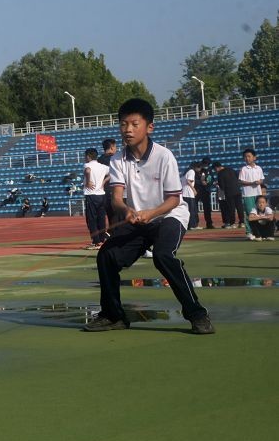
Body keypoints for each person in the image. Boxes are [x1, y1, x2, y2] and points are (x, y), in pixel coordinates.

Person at [87, 98, 214, 335]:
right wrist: (127, 211)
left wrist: (151, 213)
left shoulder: (164, 156)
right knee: (106, 256)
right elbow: (116, 198)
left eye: (135, 124)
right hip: (138, 219)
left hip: (169, 216)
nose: (128, 130)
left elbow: (174, 200)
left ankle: (197, 314)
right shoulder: (117, 160)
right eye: (123, 124)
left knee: (164, 256)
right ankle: (113, 316)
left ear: (150, 127)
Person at [82, 148, 110, 249]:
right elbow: (112, 173)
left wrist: (88, 180)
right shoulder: (103, 167)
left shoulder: (87, 165)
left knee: (91, 219)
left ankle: (96, 241)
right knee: (101, 218)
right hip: (101, 195)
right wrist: (104, 181)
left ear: (88, 156)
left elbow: (88, 170)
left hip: (91, 194)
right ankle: (102, 240)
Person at [239, 149, 266, 241]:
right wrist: (252, 183)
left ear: (254, 157)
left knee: (259, 214)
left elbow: (262, 179)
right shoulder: (244, 169)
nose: (247, 158)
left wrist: (259, 182)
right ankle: (249, 232)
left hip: (257, 194)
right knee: (249, 214)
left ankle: (258, 232)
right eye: (245, 157)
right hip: (248, 194)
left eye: (249, 156)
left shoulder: (259, 168)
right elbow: (241, 181)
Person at [214, 161, 243, 228]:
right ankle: (242, 222)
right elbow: (237, 177)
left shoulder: (220, 173)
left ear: (216, 168)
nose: (215, 171)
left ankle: (232, 223)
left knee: (231, 208)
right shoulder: (231, 169)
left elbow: (222, 186)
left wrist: (218, 184)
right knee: (239, 207)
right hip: (237, 190)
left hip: (229, 192)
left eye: (215, 169)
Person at [194, 157, 214, 229]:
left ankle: (209, 224)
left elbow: (211, 179)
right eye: (205, 163)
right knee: (195, 208)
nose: (206, 165)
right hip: (197, 191)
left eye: (208, 164)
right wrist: (201, 183)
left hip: (206, 191)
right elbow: (193, 179)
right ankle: (195, 224)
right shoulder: (197, 169)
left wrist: (208, 183)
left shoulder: (209, 170)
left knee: (207, 208)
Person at [182, 162, 199, 229]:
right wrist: (194, 190)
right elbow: (189, 181)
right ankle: (192, 225)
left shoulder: (186, 172)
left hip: (184, 193)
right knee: (191, 210)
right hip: (188, 193)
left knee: (187, 210)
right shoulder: (191, 171)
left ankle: (188, 225)